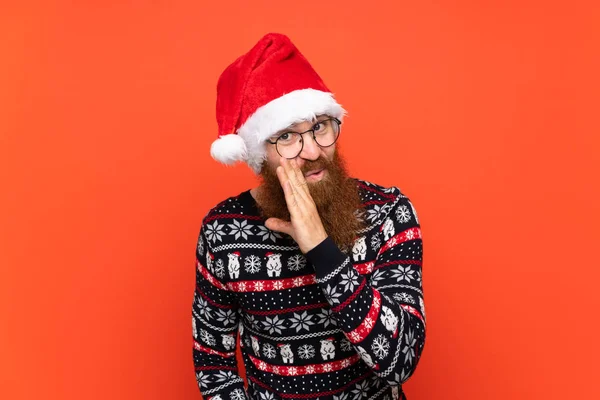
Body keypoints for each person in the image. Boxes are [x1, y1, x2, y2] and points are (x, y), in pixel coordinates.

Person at [192, 33, 426, 400]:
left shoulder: (388, 213)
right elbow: (213, 364)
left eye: (319, 127)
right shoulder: (223, 233)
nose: (314, 151)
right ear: (259, 153)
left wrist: (321, 249)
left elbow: (402, 359)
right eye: (287, 136)